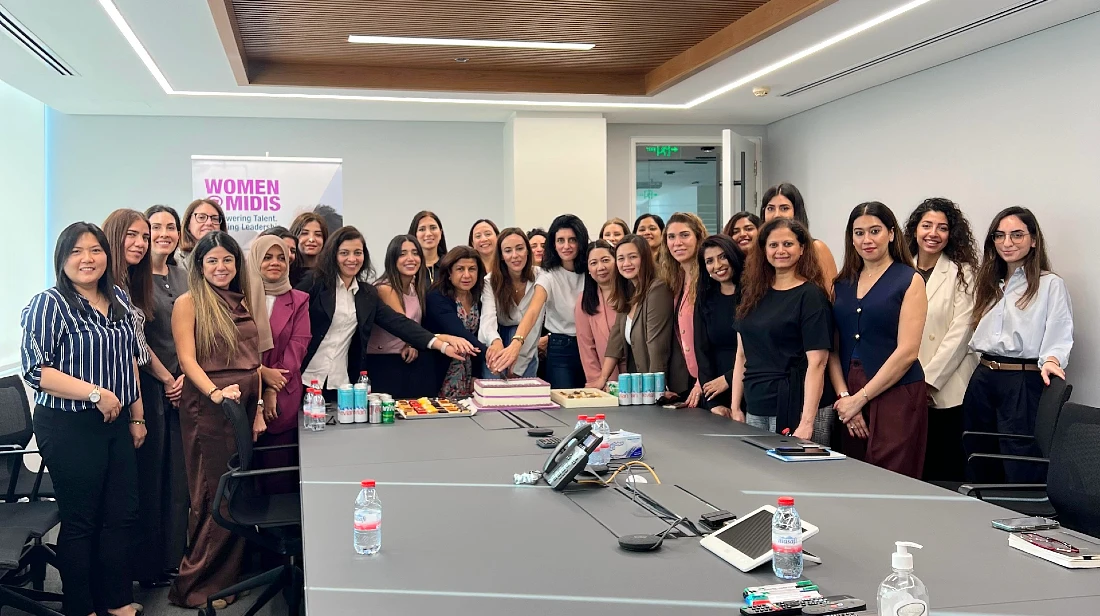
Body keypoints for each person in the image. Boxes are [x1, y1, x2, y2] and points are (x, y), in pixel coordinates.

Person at [20, 222, 148, 616]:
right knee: (82, 520)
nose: (87, 259)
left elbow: (129, 362)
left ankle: (117, 599)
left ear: (107, 256)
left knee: (121, 514)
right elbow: (36, 370)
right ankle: (81, 606)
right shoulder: (50, 303)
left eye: (94, 250)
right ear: (62, 259)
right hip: (68, 424)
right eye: (76, 251)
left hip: (117, 421)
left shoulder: (120, 300)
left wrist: (137, 415)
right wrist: (96, 393)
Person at [169, 231, 267, 609]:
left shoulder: (239, 300)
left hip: (242, 405)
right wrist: (214, 394)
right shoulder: (189, 302)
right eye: (212, 260)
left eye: (227, 259)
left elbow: (252, 361)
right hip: (210, 408)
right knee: (214, 494)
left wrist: (256, 408)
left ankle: (225, 578)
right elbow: (187, 359)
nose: (221, 267)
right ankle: (196, 587)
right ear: (199, 265)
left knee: (236, 490)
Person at [296, 226, 474, 400]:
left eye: (358, 253)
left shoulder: (366, 294)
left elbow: (398, 322)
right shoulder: (315, 283)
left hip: (340, 381)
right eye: (344, 253)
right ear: (333, 255)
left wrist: (441, 345)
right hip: (305, 376)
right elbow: (291, 315)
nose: (352, 259)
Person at [964, 206, 1073, 484]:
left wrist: (1051, 361)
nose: (1007, 243)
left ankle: (1022, 521)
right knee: (979, 453)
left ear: (1033, 239)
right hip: (984, 377)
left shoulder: (1049, 285)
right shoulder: (989, 283)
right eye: (999, 236)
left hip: (1022, 380)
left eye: (1016, 235)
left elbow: (1060, 333)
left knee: (1018, 459)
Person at [103, 208, 178, 590]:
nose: (141, 243)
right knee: (131, 487)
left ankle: (147, 568)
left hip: (141, 392)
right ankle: (133, 572)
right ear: (115, 237)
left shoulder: (136, 280)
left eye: (144, 237)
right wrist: (167, 378)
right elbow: (135, 348)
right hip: (115, 397)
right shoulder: (105, 284)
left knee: (149, 482)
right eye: (133, 235)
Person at [829, 202, 928, 478]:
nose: (867, 240)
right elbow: (833, 350)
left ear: (892, 234)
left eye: (875, 231)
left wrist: (861, 398)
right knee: (852, 475)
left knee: (891, 477)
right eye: (859, 233)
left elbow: (907, 352)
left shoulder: (909, 280)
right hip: (849, 392)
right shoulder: (841, 284)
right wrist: (846, 398)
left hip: (896, 392)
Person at [731, 219, 832, 436]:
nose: (780, 251)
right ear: (764, 250)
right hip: (755, 406)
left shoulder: (811, 296)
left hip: (794, 406)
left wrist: (807, 422)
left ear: (802, 248)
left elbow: (818, 362)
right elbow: (741, 355)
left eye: (788, 244)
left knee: (794, 471)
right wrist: (735, 407)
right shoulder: (752, 294)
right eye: (773, 245)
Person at [904, 198, 980, 482]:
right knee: (911, 467)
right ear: (914, 230)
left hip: (946, 389)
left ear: (951, 234)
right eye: (927, 226)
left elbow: (961, 335)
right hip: (904, 382)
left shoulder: (964, 273)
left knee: (943, 468)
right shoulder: (899, 270)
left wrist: (926, 382)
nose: (933, 233)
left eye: (942, 228)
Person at [140, 204, 190, 583]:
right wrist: (166, 378)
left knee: (179, 476)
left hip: (185, 386)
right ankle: (150, 562)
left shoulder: (183, 273)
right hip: (150, 388)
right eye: (155, 227)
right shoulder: (132, 278)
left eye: (170, 227)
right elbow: (136, 339)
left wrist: (185, 376)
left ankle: (174, 558)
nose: (163, 233)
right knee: (152, 476)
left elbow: (197, 327)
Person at [248, 235, 310, 493]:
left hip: (282, 396)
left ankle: (279, 532)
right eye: (267, 257)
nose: (275, 263)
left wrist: (273, 389)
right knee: (245, 474)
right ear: (255, 260)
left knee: (278, 476)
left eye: (281, 257)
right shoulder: (239, 297)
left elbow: (298, 345)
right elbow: (235, 346)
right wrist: (261, 374)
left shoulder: (299, 300)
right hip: (244, 390)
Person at [596, 235, 685, 393]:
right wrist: (603, 379)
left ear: (644, 258)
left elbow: (657, 345)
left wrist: (656, 389)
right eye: (621, 258)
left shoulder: (658, 289)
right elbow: (615, 340)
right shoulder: (629, 291)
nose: (626, 264)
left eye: (633, 257)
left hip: (665, 386)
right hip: (643, 384)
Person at [521, 214, 590, 388]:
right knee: (564, 405)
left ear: (581, 241)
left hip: (591, 346)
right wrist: (517, 342)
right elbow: (533, 310)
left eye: (572, 240)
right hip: (561, 348)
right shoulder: (548, 275)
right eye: (560, 240)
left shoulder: (591, 271)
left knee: (593, 403)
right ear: (553, 243)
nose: (566, 246)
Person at [364, 235, 433, 398]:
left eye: (415, 253)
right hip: (383, 364)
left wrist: (411, 344)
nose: (410, 258)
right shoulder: (384, 288)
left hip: (405, 361)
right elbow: (403, 326)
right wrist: (442, 341)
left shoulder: (414, 288)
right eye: (402, 254)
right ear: (392, 259)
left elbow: (414, 328)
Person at [424, 247, 489, 397]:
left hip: (468, 371)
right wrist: (493, 356)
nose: (467, 275)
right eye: (460, 269)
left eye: (472, 269)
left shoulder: (478, 298)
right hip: (441, 371)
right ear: (449, 273)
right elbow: (460, 332)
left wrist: (476, 374)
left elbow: (478, 336)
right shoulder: (436, 297)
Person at [480, 228, 545, 378]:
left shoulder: (542, 276)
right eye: (508, 251)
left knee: (525, 399)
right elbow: (487, 319)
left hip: (528, 342)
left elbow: (534, 319)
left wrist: (519, 365)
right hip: (498, 340)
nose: (515, 256)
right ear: (501, 256)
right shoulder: (490, 281)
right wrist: (495, 342)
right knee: (495, 397)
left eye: (520, 248)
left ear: (528, 251)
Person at [693, 235, 745, 417]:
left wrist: (729, 379)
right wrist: (712, 403)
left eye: (723, 256)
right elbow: (702, 351)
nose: (717, 265)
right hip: (717, 393)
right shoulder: (705, 299)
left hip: (750, 387)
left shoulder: (753, 294)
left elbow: (760, 348)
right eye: (709, 261)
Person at [761, 183, 839, 294]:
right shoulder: (760, 252)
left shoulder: (817, 248)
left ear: (796, 212)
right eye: (770, 208)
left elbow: (832, 295)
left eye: (784, 208)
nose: (776, 214)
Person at [661, 212, 706, 401]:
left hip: (708, 380)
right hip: (687, 377)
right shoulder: (676, 278)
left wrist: (702, 380)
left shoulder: (707, 277)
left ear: (698, 238)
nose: (677, 242)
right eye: (671, 237)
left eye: (684, 235)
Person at [577, 240, 624, 388]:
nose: (601, 267)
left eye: (605, 260)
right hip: (605, 381)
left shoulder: (632, 294)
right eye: (594, 263)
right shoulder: (584, 301)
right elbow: (586, 347)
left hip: (635, 377)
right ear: (588, 270)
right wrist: (596, 381)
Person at [177, 198, 227, 270]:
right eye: (201, 217)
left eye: (215, 218)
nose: (209, 223)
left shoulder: (231, 256)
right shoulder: (176, 260)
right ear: (188, 224)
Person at [289, 212, 329, 286]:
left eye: (318, 235)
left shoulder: (330, 274)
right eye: (304, 233)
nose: (311, 239)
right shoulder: (285, 273)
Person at [409, 210, 448, 284]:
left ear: (441, 232)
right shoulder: (408, 267)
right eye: (422, 229)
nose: (428, 233)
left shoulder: (450, 265)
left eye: (433, 228)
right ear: (414, 234)